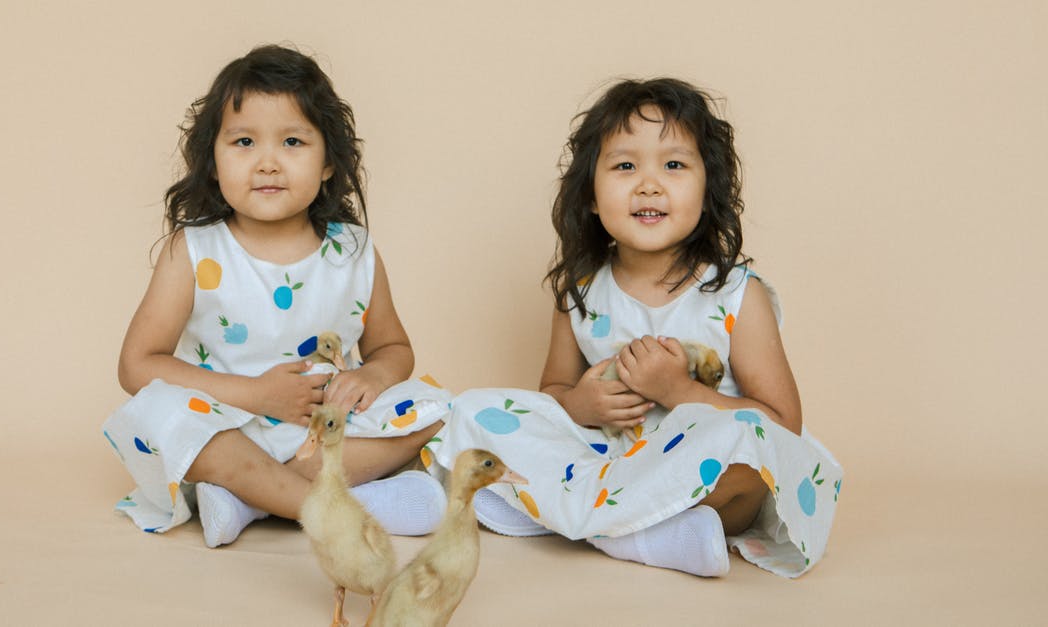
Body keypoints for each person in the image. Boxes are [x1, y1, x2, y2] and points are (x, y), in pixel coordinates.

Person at [427, 78, 841, 578]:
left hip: (704, 474)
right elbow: (552, 397)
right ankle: (637, 531)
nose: (649, 184)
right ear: (592, 199)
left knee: (749, 446)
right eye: (625, 166)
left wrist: (679, 390)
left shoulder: (736, 294)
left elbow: (781, 424)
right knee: (474, 409)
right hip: (610, 463)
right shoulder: (579, 291)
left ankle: (580, 521)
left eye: (674, 165)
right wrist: (581, 403)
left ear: (708, 190)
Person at [102, 44, 451, 548]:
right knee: (164, 418)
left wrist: (370, 375)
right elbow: (136, 367)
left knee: (438, 408)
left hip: (318, 436)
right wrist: (254, 396)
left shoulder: (353, 253)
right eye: (244, 142)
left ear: (329, 162)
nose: (267, 163)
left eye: (292, 142)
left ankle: (251, 499)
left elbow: (394, 349)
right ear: (213, 162)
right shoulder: (195, 250)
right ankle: (326, 508)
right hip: (224, 431)